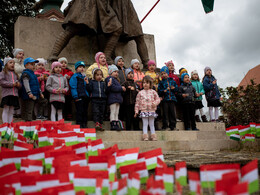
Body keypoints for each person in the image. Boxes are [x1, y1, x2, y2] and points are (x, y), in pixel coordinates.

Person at [47, 0, 149, 67]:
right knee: (72, 29)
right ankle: (53, 54)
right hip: (89, 5)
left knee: (115, 29)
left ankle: (107, 57)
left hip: (97, 5)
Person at [135, 76, 160, 141]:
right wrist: (136, 111)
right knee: (145, 124)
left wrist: (155, 103)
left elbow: (158, 99)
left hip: (151, 110)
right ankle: (145, 136)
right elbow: (137, 102)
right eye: (144, 83)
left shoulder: (153, 92)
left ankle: (153, 136)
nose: (145, 84)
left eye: (147, 83)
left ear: (150, 84)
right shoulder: (140, 93)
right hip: (143, 110)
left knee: (151, 124)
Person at [105, 65, 126, 130]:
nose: (116, 73)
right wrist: (121, 88)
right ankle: (113, 124)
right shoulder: (109, 79)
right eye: (115, 72)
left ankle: (116, 123)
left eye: (117, 72)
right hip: (112, 99)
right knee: (113, 111)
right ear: (111, 72)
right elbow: (112, 87)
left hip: (118, 99)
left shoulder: (117, 80)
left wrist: (123, 90)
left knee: (117, 112)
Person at [0, 57, 20, 123]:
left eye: (13, 63)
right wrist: (12, 84)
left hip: (14, 94)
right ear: (6, 64)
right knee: (6, 109)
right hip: (7, 94)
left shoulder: (15, 74)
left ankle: (10, 126)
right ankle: (5, 126)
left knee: (11, 111)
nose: (12, 64)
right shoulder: (3, 73)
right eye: (10, 62)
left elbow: (19, 83)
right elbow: (1, 82)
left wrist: (19, 85)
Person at [70, 61, 90, 128]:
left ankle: (84, 123)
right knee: (79, 111)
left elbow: (87, 87)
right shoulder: (74, 77)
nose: (82, 68)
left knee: (85, 111)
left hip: (85, 96)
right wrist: (75, 96)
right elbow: (73, 86)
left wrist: (87, 83)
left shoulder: (85, 77)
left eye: (83, 67)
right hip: (79, 96)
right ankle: (79, 124)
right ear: (76, 68)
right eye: (80, 67)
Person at [158, 66, 179, 130]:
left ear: (167, 73)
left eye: (165, 73)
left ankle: (173, 126)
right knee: (165, 113)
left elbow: (177, 89)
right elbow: (159, 91)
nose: (163, 75)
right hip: (165, 100)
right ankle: (165, 126)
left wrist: (174, 88)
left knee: (172, 113)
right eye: (162, 74)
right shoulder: (161, 82)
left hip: (172, 99)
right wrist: (163, 91)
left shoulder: (172, 81)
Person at [13, 48, 24, 118]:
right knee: (15, 97)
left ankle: (19, 112)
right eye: (20, 54)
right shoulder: (13, 62)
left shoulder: (22, 63)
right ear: (15, 55)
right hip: (14, 82)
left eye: (23, 54)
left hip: (21, 82)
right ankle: (14, 112)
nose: (21, 55)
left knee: (20, 98)